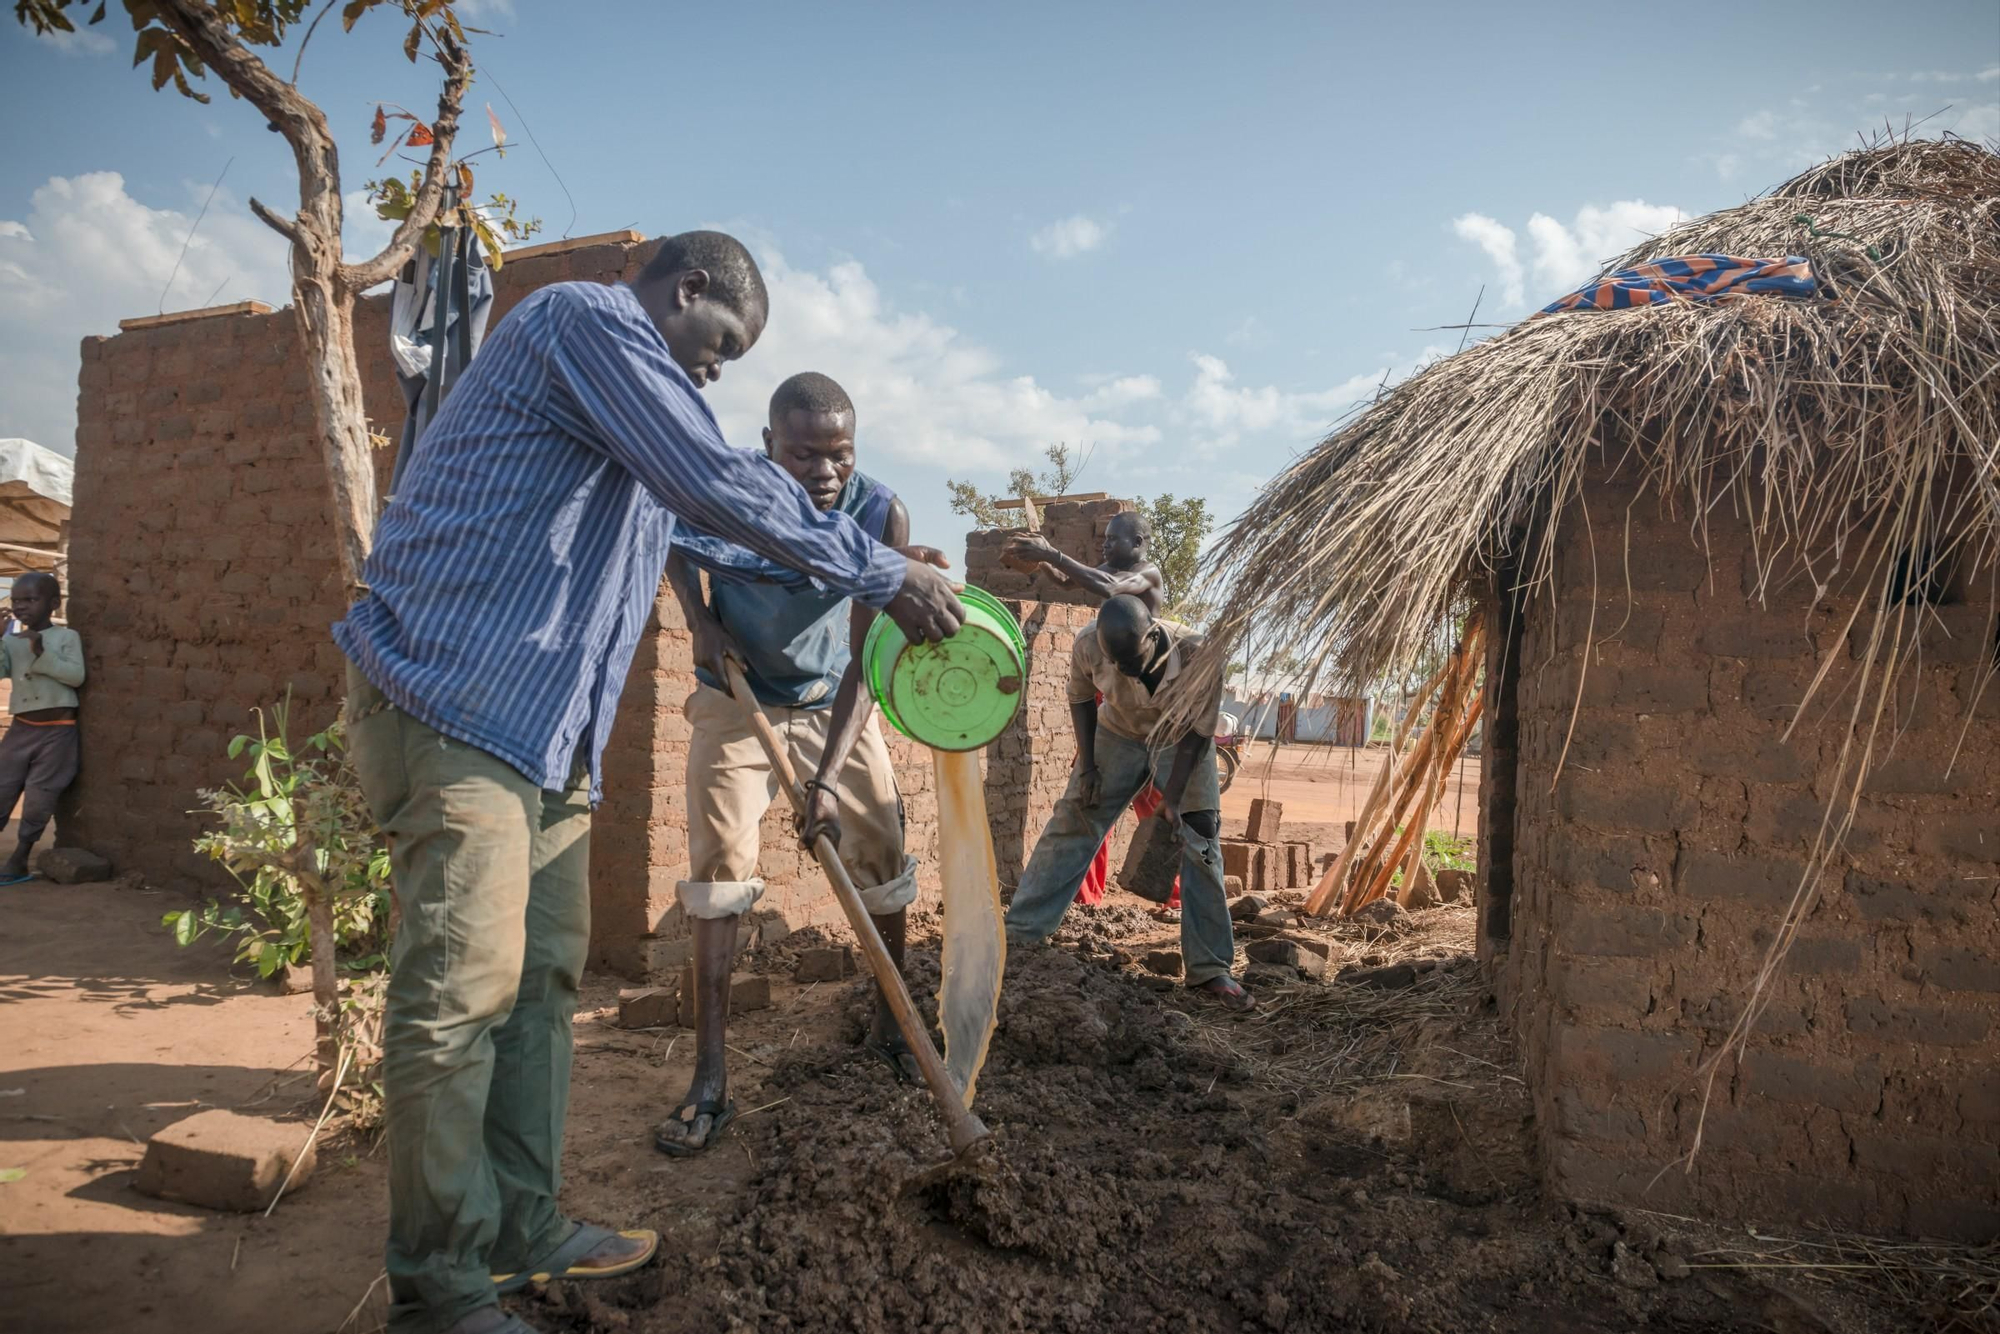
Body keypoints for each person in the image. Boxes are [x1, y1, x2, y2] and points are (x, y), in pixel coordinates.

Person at [333, 231, 965, 1334]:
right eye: (722, 341)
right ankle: (436, 1290)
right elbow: (719, 485)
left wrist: (870, 565)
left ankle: (524, 1228)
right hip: (452, 709)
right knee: (457, 997)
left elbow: (715, 519)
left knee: (537, 993)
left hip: (541, 743)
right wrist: (881, 569)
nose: (717, 367)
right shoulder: (587, 324)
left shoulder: (631, 406)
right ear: (685, 292)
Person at [657, 372, 941, 1156]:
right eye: (804, 455)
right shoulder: (724, 496)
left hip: (831, 701)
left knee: (880, 842)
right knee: (719, 871)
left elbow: (864, 663)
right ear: (768, 447)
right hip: (735, 696)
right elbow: (670, 536)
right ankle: (711, 1077)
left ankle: (891, 1029)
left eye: (839, 455)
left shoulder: (879, 513)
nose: (823, 473)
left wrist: (822, 780)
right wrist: (700, 621)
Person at [1003, 594, 1253, 1011]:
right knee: (1075, 818)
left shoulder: (1197, 655)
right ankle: (1021, 935)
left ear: (1153, 635)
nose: (1126, 670)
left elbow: (1199, 733)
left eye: (1134, 661)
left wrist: (1170, 800)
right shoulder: (1089, 644)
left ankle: (1211, 969)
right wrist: (1087, 769)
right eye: (1117, 663)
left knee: (1200, 840)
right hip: (1117, 734)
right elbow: (1081, 700)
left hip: (1181, 738)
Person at [1007, 515, 1179, 914]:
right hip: (1114, 699)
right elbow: (1069, 583)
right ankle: (1086, 900)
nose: (1104, 546)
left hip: (1150, 700)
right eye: (1102, 538)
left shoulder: (1144, 575)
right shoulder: (1113, 568)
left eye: (1113, 540)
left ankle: (1176, 893)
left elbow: (1107, 587)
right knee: (1091, 794)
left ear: (1138, 542)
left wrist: (1053, 552)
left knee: (1160, 804)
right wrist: (1039, 562)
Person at [0, 573, 84, 884]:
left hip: (57, 732)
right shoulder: (10, 641)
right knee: (3, 786)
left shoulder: (66, 638)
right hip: (21, 729)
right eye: (16, 601)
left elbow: (76, 677)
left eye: (30, 600)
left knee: (40, 795)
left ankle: (20, 856)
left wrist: (40, 652)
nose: (21, 607)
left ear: (53, 604)